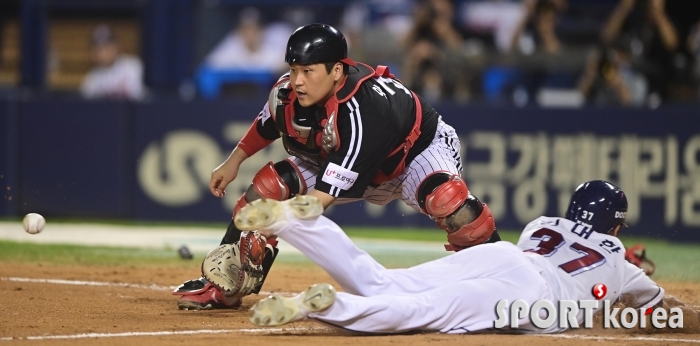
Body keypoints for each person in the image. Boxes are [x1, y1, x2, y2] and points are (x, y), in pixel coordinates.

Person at [173, 23, 500, 310]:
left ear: (337, 72)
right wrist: (234, 161)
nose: (297, 81)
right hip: (343, 157)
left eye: (308, 70)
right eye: (293, 69)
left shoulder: (361, 112)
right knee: (267, 188)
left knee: (453, 204)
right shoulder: (287, 93)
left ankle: (505, 279)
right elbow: (267, 124)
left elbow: (320, 200)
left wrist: (274, 218)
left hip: (413, 153)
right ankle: (226, 284)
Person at [236, 180, 698, 333]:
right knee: (419, 313)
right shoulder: (619, 258)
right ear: (615, 227)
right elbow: (663, 312)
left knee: (388, 281)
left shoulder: (543, 224)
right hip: (533, 297)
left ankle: (292, 222)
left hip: (505, 257)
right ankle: (328, 306)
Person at [80, 24, 146, 101]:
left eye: (107, 45)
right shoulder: (92, 78)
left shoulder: (134, 66)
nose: (104, 52)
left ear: (117, 45)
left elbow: (142, 100)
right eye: (99, 48)